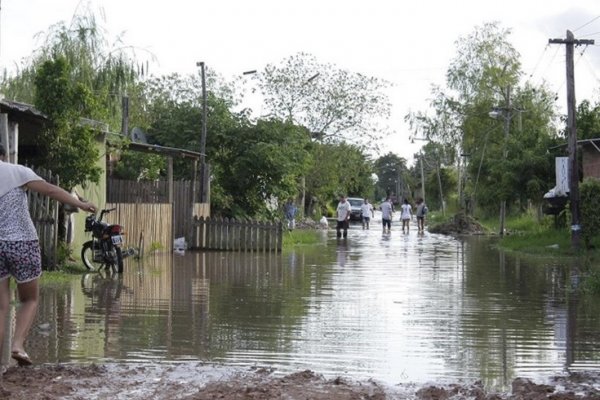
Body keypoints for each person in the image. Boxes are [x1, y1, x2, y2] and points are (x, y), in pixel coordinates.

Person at [0, 144, 97, 368]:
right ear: (4, 154)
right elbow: (52, 191)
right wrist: (81, 204)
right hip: (22, 243)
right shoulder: (17, 171)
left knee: (1, 306)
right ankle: (17, 345)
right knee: (30, 299)